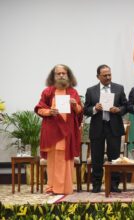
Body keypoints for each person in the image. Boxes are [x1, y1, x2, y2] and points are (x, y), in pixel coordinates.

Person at [34, 64, 83, 195]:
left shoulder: (73, 92)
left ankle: (64, 188)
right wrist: (50, 111)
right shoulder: (48, 92)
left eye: (63, 73)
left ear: (68, 75)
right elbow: (39, 109)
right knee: (53, 160)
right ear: (53, 76)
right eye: (58, 73)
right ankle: (52, 187)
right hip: (53, 132)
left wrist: (75, 105)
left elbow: (79, 112)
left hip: (68, 132)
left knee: (66, 160)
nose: (61, 76)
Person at [84, 64, 127, 193]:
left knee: (114, 157)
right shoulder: (91, 91)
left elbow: (125, 106)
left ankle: (114, 185)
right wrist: (94, 109)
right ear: (98, 76)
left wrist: (118, 109)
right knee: (97, 158)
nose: (108, 77)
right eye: (105, 75)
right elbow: (86, 109)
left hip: (114, 126)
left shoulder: (119, 88)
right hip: (98, 127)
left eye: (109, 74)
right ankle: (96, 185)